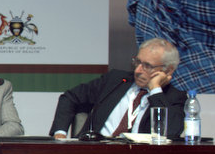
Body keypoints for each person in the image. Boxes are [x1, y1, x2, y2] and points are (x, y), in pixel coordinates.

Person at [50, 38, 186, 140]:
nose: (138, 70)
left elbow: (170, 134)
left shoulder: (174, 97)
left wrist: (155, 89)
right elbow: (70, 97)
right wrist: (60, 134)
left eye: (147, 66)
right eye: (137, 62)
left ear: (167, 70)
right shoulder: (116, 80)